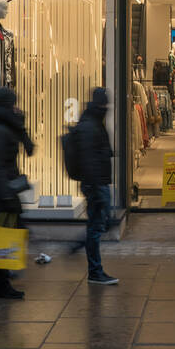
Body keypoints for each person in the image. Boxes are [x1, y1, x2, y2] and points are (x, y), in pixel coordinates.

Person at [0, 86, 33, 298]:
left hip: (4, 190)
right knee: (3, 236)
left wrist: (21, 125)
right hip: (2, 192)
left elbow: (30, 149)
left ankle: (2, 284)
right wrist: (6, 195)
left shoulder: (5, 126)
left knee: (7, 235)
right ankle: (1, 285)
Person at [74, 88, 118, 285]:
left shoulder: (93, 122)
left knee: (97, 225)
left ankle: (91, 263)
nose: (106, 108)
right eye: (105, 105)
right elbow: (90, 160)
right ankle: (94, 270)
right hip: (96, 184)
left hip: (98, 183)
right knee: (96, 227)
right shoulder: (90, 126)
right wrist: (97, 189)